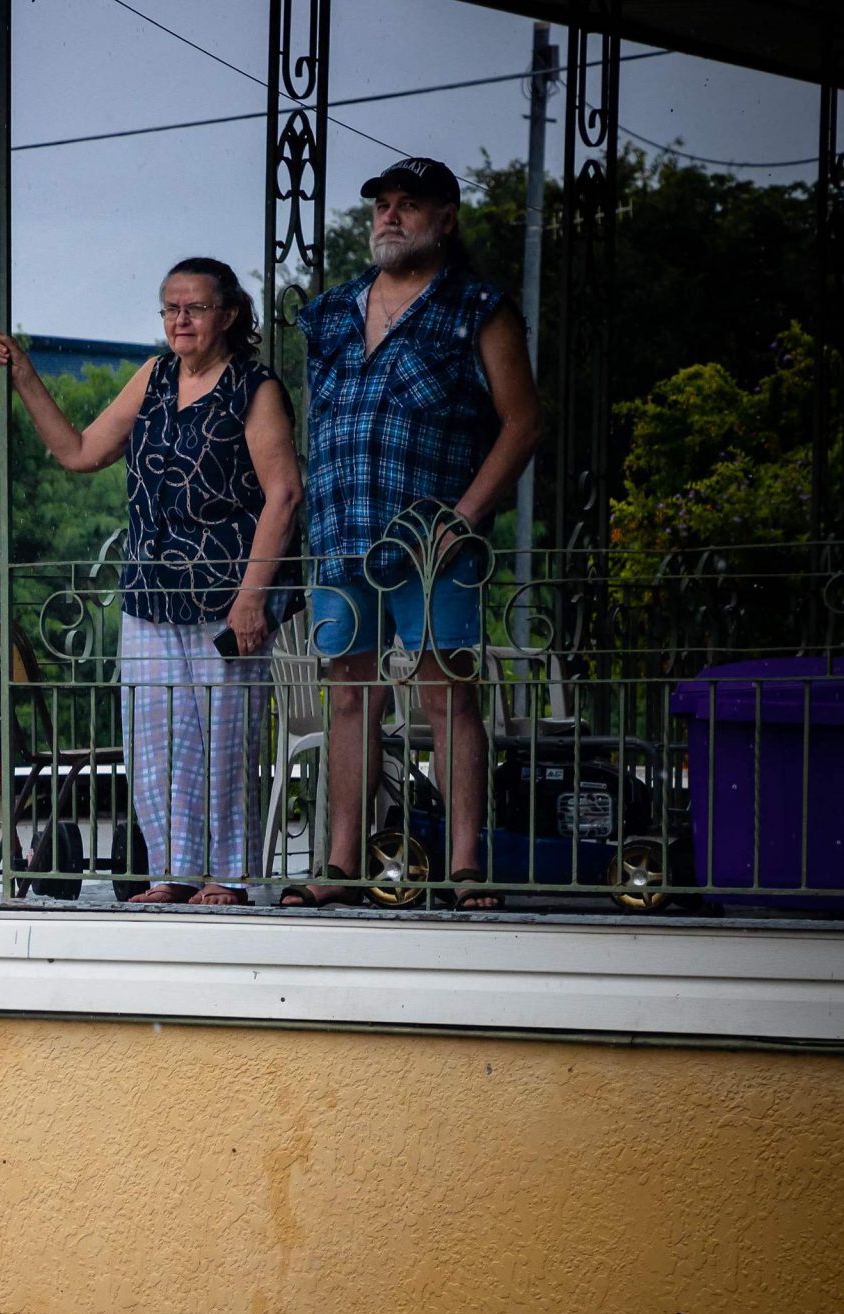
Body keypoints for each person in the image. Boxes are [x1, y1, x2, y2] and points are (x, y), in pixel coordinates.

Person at [0, 257, 302, 904]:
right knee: (157, 746)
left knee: (226, 741)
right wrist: (25, 377)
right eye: (169, 308)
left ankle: (230, 877)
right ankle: (172, 874)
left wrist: (253, 596)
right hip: (150, 594)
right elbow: (80, 453)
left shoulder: (254, 386)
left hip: (225, 595)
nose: (179, 319)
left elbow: (285, 494)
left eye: (193, 307)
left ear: (230, 315)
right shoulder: (155, 376)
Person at [285, 156, 542, 910]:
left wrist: (463, 518)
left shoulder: (477, 306)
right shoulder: (332, 309)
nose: (391, 217)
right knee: (348, 698)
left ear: (446, 219)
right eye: (383, 205)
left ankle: (465, 868)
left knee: (447, 699)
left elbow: (525, 422)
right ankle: (342, 864)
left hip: (435, 545)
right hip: (341, 533)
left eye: (410, 205)